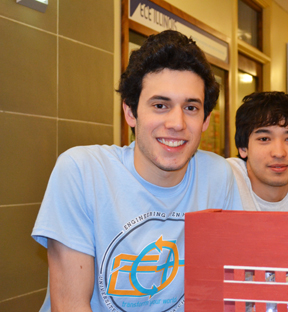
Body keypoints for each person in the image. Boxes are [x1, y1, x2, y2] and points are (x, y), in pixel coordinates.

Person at [31, 30, 241, 312]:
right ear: (131, 112)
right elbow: (71, 305)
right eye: (160, 105)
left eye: (191, 107)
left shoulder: (217, 175)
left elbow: (224, 289)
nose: (177, 122)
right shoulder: (82, 171)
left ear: (204, 120)